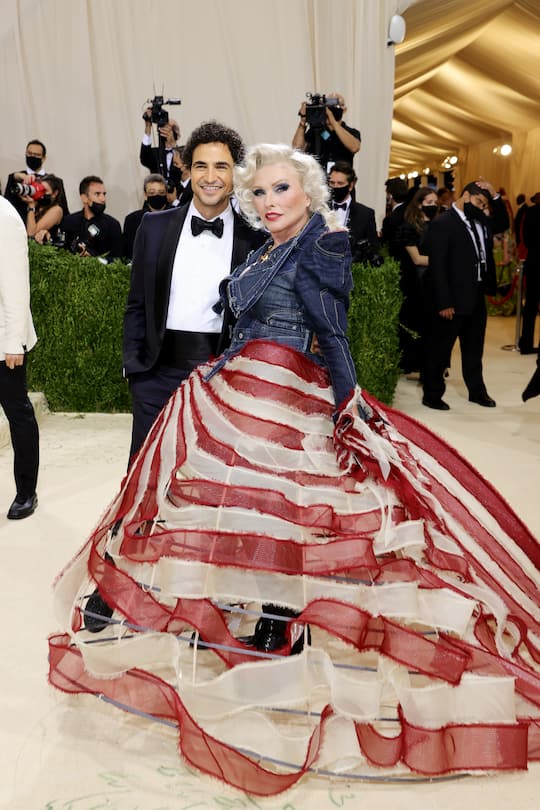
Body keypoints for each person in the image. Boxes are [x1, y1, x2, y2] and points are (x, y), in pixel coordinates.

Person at [48, 145, 540, 795]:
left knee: (287, 504)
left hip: (287, 389)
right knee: (213, 492)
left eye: (281, 188)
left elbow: (331, 330)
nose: (269, 200)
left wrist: (349, 402)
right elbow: (236, 326)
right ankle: (161, 601)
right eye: (259, 192)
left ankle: (278, 618)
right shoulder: (259, 248)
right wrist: (218, 377)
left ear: (307, 190)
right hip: (240, 383)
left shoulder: (325, 245)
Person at [123, 120, 265, 461]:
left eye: (222, 166)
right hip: (155, 373)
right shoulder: (154, 227)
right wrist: (135, 369)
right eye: (201, 165)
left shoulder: (257, 238)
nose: (210, 176)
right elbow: (137, 303)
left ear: (236, 175)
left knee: (209, 476)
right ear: (188, 169)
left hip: (222, 376)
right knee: (146, 471)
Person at [422, 180, 509, 410]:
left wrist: (494, 195)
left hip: (476, 294)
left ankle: (477, 392)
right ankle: (432, 394)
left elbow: (502, 222)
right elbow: (437, 266)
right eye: (478, 202)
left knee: (474, 348)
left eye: (484, 204)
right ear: (465, 195)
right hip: (452, 297)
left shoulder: (480, 219)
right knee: (441, 349)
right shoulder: (444, 223)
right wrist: (444, 302)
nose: (481, 208)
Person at [0, 197, 39, 520]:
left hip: (3, 341)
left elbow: (15, 285)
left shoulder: (4, 216)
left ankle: (26, 491)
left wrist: (14, 342)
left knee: (18, 413)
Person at [395, 186, 439, 376]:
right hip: (417, 284)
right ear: (419, 204)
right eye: (429, 202)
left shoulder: (440, 225)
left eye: (435, 203)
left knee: (435, 327)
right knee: (417, 324)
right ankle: (413, 363)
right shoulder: (409, 227)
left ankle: (432, 363)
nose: (433, 206)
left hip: (437, 282)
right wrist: (443, 261)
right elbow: (417, 259)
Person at [61, 176, 123, 263]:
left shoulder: (112, 225)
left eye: (104, 194)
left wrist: (94, 259)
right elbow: (62, 252)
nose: (103, 199)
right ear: (84, 198)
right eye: (97, 194)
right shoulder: (69, 221)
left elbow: (117, 259)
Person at [292, 92, 361, 170]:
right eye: (328, 107)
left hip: (339, 180)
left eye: (335, 107)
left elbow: (354, 147)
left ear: (344, 110)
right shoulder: (315, 130)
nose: (331, 111)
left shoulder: (351, 132)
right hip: (318, 178)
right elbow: (297, 149)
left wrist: (333, 123)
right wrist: (302, 122)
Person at [327, 161, 378, 259]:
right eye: (332, 183)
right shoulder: (318, 210)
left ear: (350, 186)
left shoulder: (366, 214)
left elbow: (373, 249)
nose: (335, 187)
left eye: (340, 183)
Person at [122, 173, 169, 261]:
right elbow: (129, 253)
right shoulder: (132, 220)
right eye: (152, 193)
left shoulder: (176, 216)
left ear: (166, 194)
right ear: (145, 195)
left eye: (161, 192)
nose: (157, 196)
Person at [16, 174, 69, 244]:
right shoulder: (37, 204)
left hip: (44, 250)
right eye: (40, 189)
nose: (41, 194)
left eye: (45, 190)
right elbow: (15, 176)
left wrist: (31, 207)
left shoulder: (57, 210)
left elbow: (31, 233)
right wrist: (25, 178)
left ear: (55, 193)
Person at [3, 139, 48, 222]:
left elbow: (63, 209)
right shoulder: (14, 178)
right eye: (29, 153)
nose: (32, 157)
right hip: (19, 226)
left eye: (36, 155)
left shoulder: (54, 181)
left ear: (44, 158)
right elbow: (7, 206)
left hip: (45, 229)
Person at [518, 192, 540, 355]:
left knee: (530, 305)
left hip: (533, 261)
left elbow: (525, 238)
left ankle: (526, 343)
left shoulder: (530, 212)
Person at [140, 108, 180, 186]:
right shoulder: (155, 153)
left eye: (169, 128)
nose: (165, 130)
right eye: (163, 127)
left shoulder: (183, 153)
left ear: (177, 134)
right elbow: (144, 158)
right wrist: (148, 127)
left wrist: (173, 144)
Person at [381, 177, 409, 258]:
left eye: (386, 193)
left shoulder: (390, 219)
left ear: (390, 195)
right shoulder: (413, 212)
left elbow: (388, 246)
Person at [514, 192, 528, 262]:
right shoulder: (521, 208)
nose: (516, 200)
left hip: (521, 233)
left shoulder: (524, 208)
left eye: (518, 199)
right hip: (519, 232)